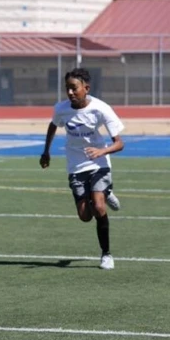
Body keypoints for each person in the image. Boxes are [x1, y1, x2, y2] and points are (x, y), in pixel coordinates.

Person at [40, 67, 123, 270]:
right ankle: (106, 192)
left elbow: (119, 143)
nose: (70, 93)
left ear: (86, 88)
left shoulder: (101, 108)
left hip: (99, 163)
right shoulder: (61, 109)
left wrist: (101, 152)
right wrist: (46, 152)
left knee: (99, 206)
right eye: (67, 88)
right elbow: (53, 125)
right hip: (76, 166)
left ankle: (106, 254)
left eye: (74, 88)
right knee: (85, 215)